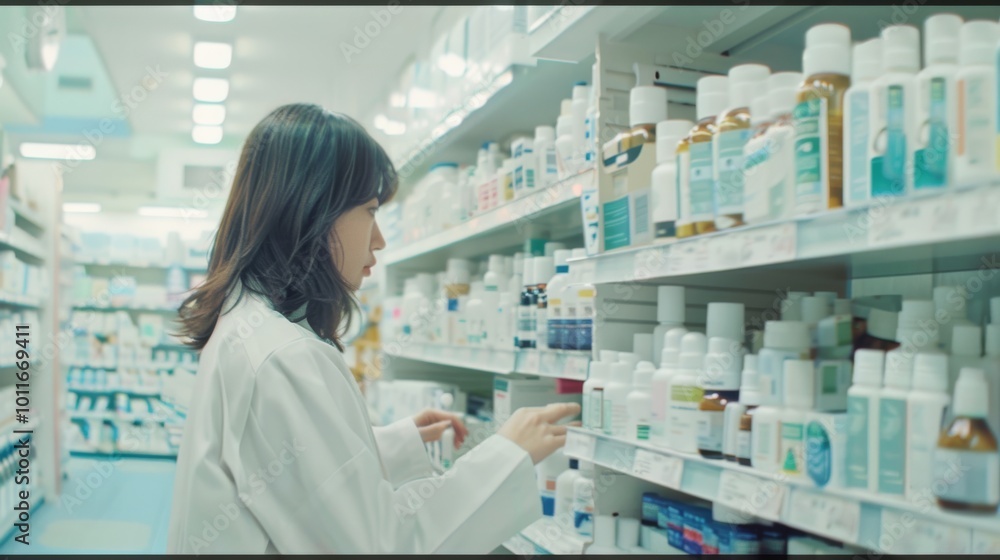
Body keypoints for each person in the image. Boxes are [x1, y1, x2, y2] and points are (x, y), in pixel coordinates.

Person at [166, 104, 580, 554]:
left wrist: (397, 444)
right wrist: (507, 456)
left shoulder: (248, 324)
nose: (379, 239)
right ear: (312, 211)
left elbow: (284, 476)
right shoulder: (283, 357)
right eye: (368, 209)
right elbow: (382, 545)